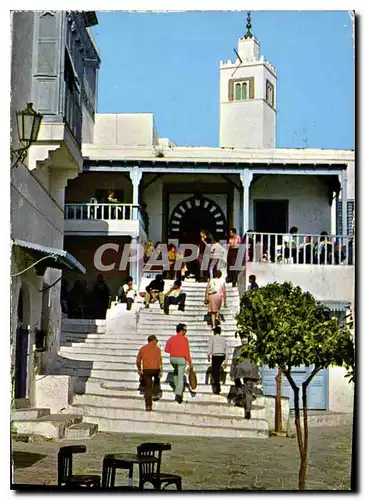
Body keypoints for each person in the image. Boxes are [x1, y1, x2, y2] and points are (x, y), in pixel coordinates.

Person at [230, 337, 260, 419]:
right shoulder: (253, 349)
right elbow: (256, 362)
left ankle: (240, 391)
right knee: (249, 392)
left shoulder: (237, 349)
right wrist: (257, 375)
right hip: (250, 370)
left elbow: (233, 361)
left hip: (239, 369)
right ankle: (247, 411)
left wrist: (232, 373)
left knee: (237, 380)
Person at [164, 323, 193, 403]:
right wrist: (190, 363)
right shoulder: (184, 339)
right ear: (181, 330)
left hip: (173, 359)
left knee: (176, 371)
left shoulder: (171, 338)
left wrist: (174, 350)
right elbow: (187, 353)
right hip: (181, 360)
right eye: (185, 330)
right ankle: (179, 394)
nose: (185, 331)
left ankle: (176, 386)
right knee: (181, 377)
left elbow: (166, 350)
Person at [136, 335, 163, 411]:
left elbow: (138, 361)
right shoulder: (157, 349)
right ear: (153, 340)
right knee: (157, 379)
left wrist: (139, 369)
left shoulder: (142, 349)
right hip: (156, 369)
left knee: (148, 388)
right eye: (156, 341)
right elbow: (159, 360)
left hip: (147, 370)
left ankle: (148, 405)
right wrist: (161, 370)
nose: (157, 342)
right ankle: (155, 393)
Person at [207, 326, 228, 394]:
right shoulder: (223, 339)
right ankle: (217, 383)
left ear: (215, 331)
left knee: (215, 370)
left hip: (215, 355)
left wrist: (208, 354)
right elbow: (226, 349)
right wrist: (226, 359)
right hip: (222, 355)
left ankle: (217, 385)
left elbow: (210, 346)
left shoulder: (212, 338)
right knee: (217, 368)